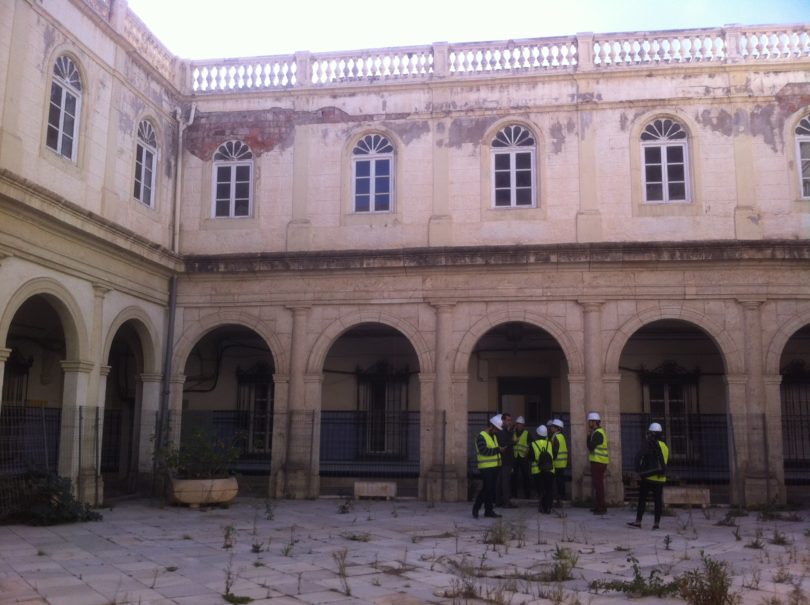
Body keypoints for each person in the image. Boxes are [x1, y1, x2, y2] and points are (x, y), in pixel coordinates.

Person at [628, 422, 669, 530]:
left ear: (651, 433)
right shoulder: (665, 446)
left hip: (648, 477)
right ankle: (656, 524)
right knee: (658, 501)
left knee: (642, 499)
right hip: (660, 478)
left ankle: (638, 521)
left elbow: (641, 457)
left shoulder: (649, 444)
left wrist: (638, 470)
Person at [472, 414, 506, 519]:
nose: (497, 431)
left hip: (494, 467)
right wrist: (498, 450)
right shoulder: (481, 436)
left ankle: (488, 511)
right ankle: (476, 508)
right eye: (496, 429)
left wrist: (499, 450)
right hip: (485, 467)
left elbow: (493, 449)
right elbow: (484, 451)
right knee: (487, 489)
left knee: (491, 489)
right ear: (491, 426)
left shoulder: (493, 436)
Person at [586, 411, 609, 514]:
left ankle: (601, 508)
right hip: (599, 462)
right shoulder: (598, 432)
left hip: (598, 462)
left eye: (590, 421)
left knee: (599, 486)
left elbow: (591, 447)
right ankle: (599, 506)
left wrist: (588, 436)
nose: (588, 423)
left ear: (594, 422)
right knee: (598, 485)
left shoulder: (597, 433)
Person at [530, 424, 555, 514]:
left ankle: (542, 507)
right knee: (549, 489)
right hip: (549, 470)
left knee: (541, 490)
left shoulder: (533, 444)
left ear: (537, 434)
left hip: (537, 471)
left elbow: (531, 457)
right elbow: (554, 455)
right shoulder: (550, 443)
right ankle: (548, 507)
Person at [495, 412, 516, 508]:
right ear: (502, 420)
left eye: (510, 420)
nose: (510, 422)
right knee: (505, 483)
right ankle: (506, 502)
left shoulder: (506, 431)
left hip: (506, 461)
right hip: (505, 461)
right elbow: (504, 445)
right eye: (508, 420)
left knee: (501, 482)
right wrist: (513, 442)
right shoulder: (502, 432)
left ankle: (499, 501)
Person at [511, 416, 532, 499]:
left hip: (524, 457)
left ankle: (527, 495)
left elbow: (531, 444)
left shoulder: (527, 433)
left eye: (521, 424)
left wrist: (528, 453)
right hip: (515, 457)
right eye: (518, 424)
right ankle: (514, 494)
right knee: (513, 476)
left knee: (526, 476)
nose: (519, 426)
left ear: (523, 425)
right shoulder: (512, 433)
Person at [549, 418, 568, 505]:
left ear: (557, 428)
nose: (551, 428)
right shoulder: (561, 436)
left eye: (553, 426)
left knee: (558, 481)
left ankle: (559, 496)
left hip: (557, 462)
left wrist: (551, 459)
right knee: (561, 480)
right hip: (562, 462)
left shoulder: (555, 437)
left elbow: (555, 451)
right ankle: (562, 495)